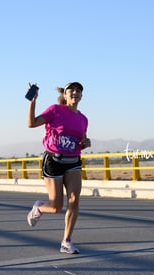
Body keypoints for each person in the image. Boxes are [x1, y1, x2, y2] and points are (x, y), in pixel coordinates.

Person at [26, 81, 91, 254]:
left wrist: (86, 143)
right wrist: (33, 101)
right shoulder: (55, 110)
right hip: (54, 161)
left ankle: (66, 242)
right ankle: (38, 208)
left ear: (81, 96)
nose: (75, 92)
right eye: (71, 90)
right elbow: (31, 123)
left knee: (74, 201)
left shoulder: (83, 119)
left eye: (78, 91)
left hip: (74, 161)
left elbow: (80, 141)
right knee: (55, 207)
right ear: (65, 95)